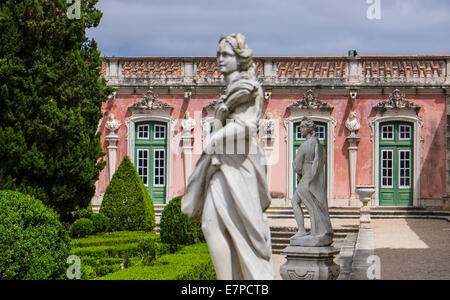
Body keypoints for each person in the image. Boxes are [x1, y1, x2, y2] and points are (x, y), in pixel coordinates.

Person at [182, 33, 275, 280]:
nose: (219, 59)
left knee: (247, 230)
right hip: (221, 164)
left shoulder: (249, 87)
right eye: (218, 54)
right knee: (210, 225)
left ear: (239, 57)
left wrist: (215, 139)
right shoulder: (231, 91)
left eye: (226, 54)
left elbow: (247, 126)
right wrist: (220, 123)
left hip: (239, 166)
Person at [291, 118, 333, 247]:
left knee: (295, 202)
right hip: (314, 179)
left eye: (302, 127)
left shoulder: (305, 145)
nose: (300, 129)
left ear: (308, 129)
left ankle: (302, 230)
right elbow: (322, 160)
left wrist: (298, 171)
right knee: (314, 206)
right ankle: (319, 230)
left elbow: (297, 166)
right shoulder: (317, 144)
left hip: (305, 179)